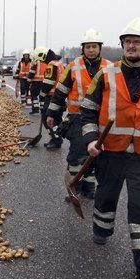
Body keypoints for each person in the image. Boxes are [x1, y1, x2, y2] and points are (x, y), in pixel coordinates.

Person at [80, 18, 140, 279]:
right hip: (111, 151)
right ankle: (101, 227)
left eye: (137, 42)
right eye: (127, 41)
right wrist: (90, 139)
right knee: (107, 195)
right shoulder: (107, 74)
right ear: (122, 45)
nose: (131, 46)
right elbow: (88, 109)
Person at [47, 29, 111, 200]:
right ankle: (75, 187)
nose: (91, 50)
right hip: (77, 118)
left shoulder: (110, 67)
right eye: (88, 46)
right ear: (83, 48)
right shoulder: (73, 67)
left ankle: (89, 188)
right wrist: (52, 112)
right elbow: (60, 91)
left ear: (100, 48)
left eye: (94, 46)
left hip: (101, 120)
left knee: (95, 156)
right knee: (76, 156)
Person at [36, 47, 65, 149]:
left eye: (41, 59)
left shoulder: (51, 65)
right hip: (60, 97)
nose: (41, 62)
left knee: (47, 118)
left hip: (53, 97)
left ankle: (57, 139)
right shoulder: (59, 64)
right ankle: (56, 138)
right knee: (56, 119)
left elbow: (48, 82)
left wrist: (41, 95)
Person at [29, 46, 49, 114]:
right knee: (42, 96)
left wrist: (29, 80)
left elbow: (31, 73)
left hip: (36, 82)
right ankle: (43, 109)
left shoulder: (36, 63)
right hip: (44, 82)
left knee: (34, 95)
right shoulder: (47, 63)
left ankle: (35, 109)